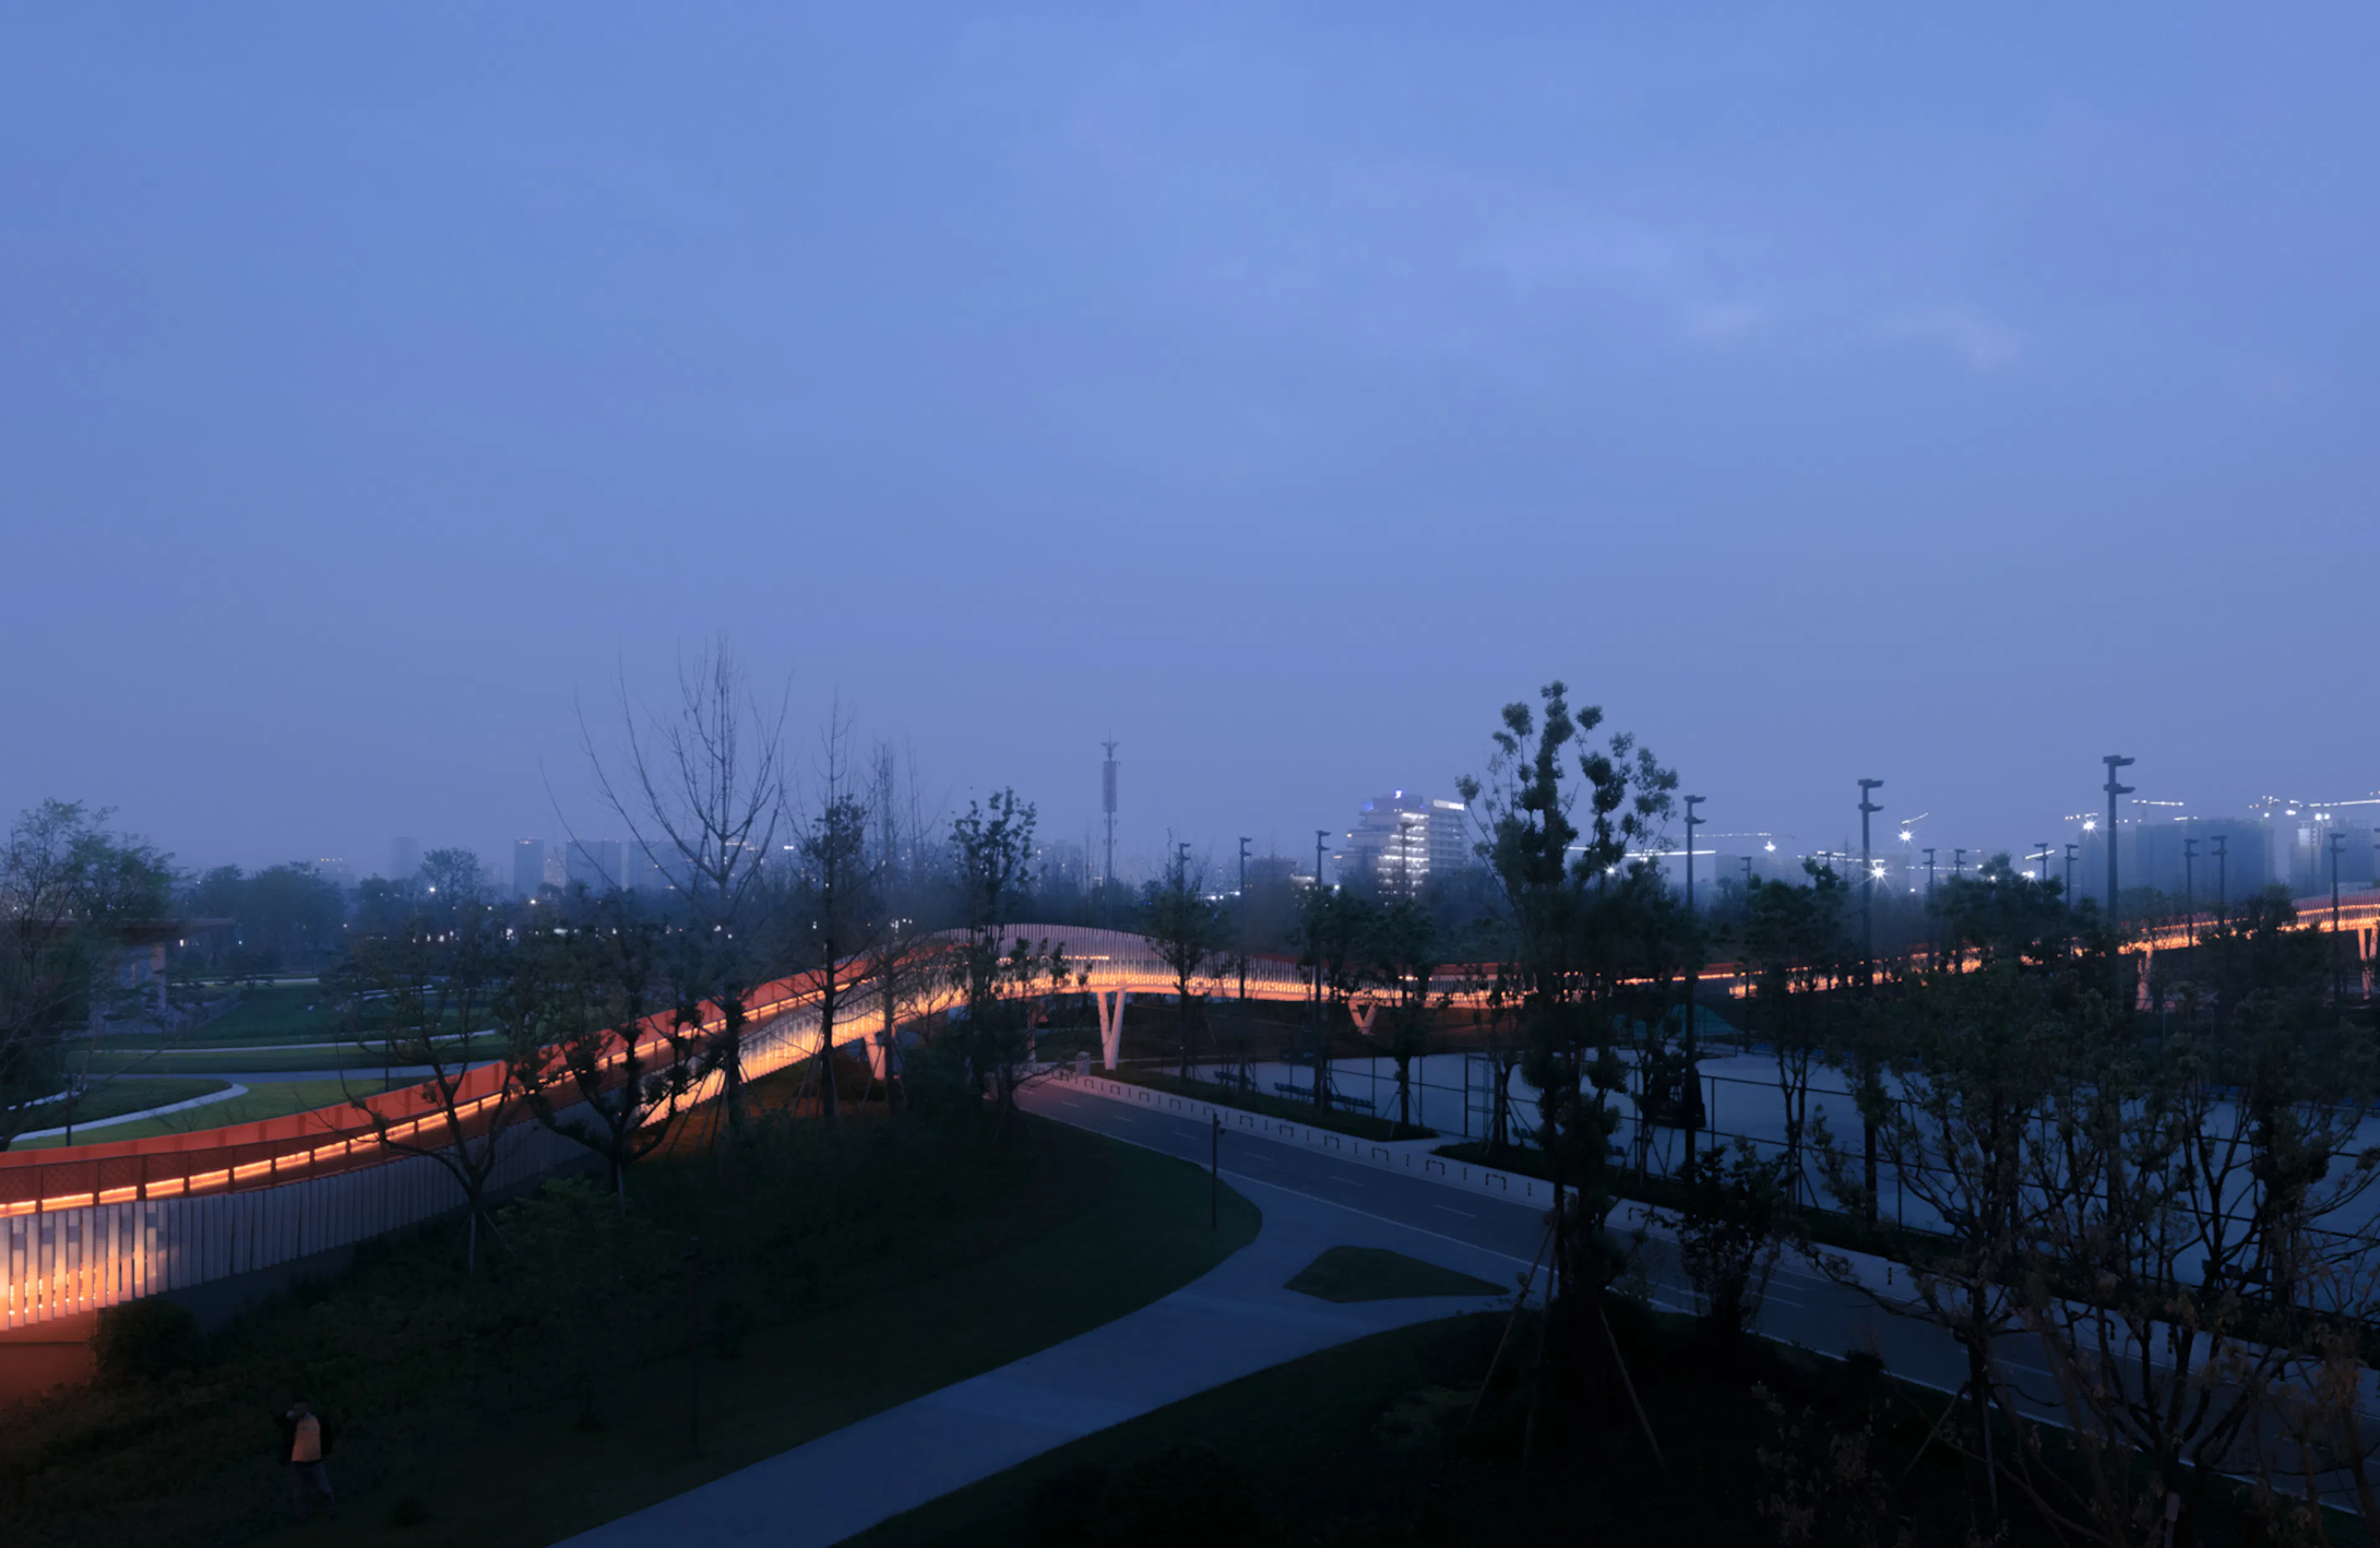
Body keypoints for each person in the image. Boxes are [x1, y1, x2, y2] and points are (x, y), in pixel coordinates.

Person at [276, 1398, 338, 1521]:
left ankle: (333, 1512)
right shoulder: (292, 1423)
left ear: (308, 1408)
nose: (299, 1411)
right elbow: (278, 1421)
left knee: (324, 1489)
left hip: (315, 1461)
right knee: (299, 1493)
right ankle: (302, 1518)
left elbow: (327, 1436)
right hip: (297, 1463)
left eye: (302, 1408)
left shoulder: (317, 1421)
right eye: (297, 1409)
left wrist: (324, 1451)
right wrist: (288, 1416)